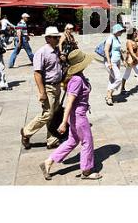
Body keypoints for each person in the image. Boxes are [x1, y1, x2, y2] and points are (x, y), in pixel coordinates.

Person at [40, 49, 102, 180]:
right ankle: (86, 171)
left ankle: (48, 162)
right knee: (87, 142)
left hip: (75, 115)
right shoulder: (77, 80)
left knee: (72, 141)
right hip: (78, 116)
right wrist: (63, 122)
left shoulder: (78, 77)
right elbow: (69, 101)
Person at [20, 27, 63, 150]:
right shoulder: (41, 52)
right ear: (47, 38)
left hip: (57, 85)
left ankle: (52, 140)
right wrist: (42, 92)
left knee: (54, 114)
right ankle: (26, 131)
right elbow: (37, 73)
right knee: (47, 114)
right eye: (55, 37)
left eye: (58, 37)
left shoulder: (55, 51)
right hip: (48, 86)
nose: (57, 39)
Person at [104, 24, 126, 106]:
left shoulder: (116, 38)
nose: (122, 32)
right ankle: (109, 92)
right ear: (116, 31)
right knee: (118, 79)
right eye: (120, 31)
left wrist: (123, 60)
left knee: (112, 80)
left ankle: (109, 97)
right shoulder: (110, 37)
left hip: (117, 62)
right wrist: (109, 62)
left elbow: (118, 50)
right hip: (111, 62)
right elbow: (106, 49)